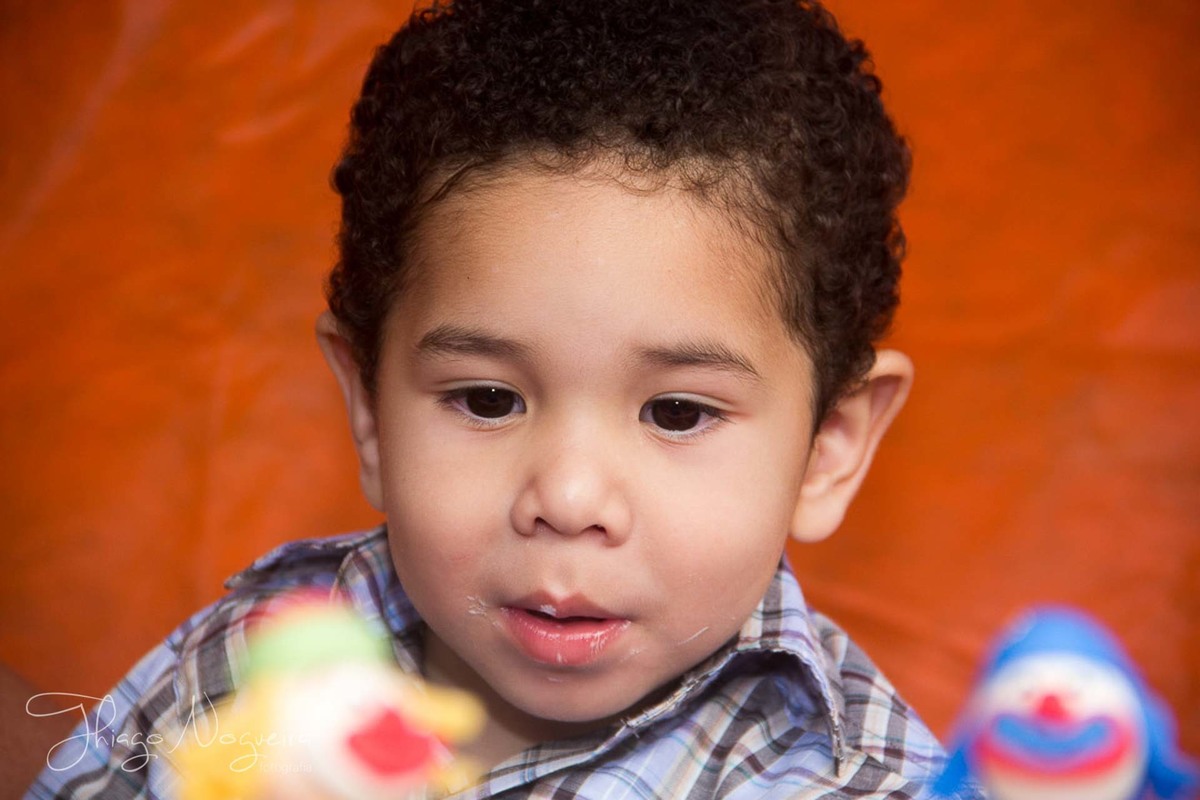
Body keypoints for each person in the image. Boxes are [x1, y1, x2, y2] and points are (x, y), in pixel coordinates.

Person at [26, 1, 985, 797]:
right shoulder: (245, 667)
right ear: (368, 407)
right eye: (487, 399)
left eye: (677, 412)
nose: (566, 499)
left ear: (829, 445)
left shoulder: (848, 779)